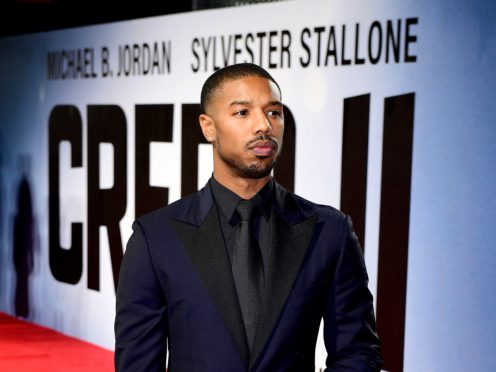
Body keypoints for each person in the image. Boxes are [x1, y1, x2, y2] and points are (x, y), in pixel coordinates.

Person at [114, 63, 383, 371]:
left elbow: (359, 352)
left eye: (274, 112)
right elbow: (137, 365)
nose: (264, 126)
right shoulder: (156, 237)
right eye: (243, 113)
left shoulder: (329, 231)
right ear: (208, 126)